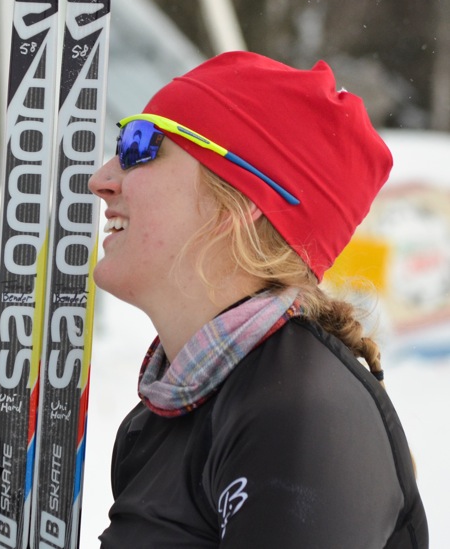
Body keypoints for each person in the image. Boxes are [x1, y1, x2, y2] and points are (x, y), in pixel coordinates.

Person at [88, 51, 428, 548]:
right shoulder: (162, 418)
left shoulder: (300, 418)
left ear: (242, 203)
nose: (101, 179)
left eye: (139, 144)